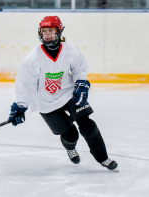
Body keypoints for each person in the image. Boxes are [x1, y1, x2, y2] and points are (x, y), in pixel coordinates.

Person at [8, 16, 118, 171]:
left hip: (68, 94)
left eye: (51, 31)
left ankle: (104, 158)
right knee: (70, 135)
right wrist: (21, 106)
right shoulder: (34, 57)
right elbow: (25, 84)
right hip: (45, 102)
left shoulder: (71, 50)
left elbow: (80, 70)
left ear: (59, 31)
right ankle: (70, 148)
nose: (47, 35)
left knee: (89, 127)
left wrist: (81, 84)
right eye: (44, 31)